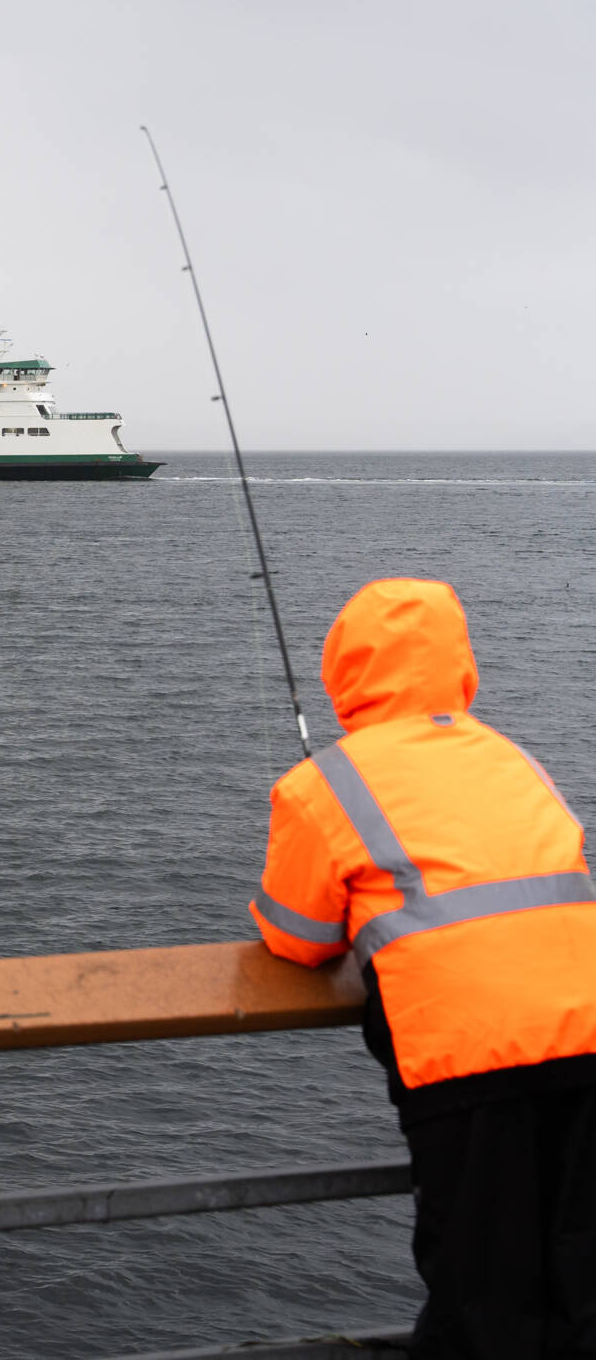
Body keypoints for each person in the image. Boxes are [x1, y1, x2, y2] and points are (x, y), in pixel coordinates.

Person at [249, 577, 596, 1357]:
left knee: (482, 1295)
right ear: (459, 665)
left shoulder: (326, 782)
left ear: (345, 674)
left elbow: (298, 937)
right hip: (587, 1028)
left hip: (472, 1058)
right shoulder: (513, 757)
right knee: (581, 1274)